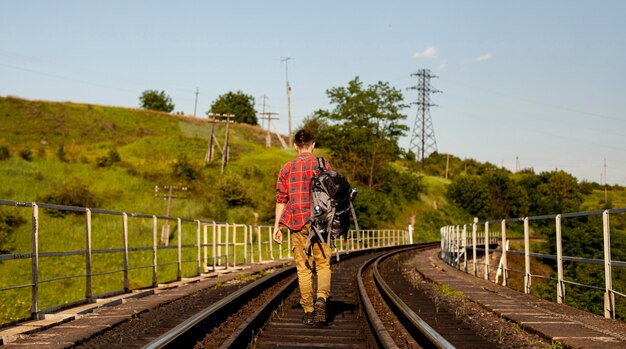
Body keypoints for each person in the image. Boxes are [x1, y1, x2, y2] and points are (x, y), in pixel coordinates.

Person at [273, 129, 331, 326]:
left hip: (297, 222)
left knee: (303, 267)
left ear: (295, 146)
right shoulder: (323, 165)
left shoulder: (287, 168)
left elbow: (281, 200)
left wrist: (277, 226)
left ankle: (308, 310)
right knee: (323, 264)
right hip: (321, 223)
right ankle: (321, 298)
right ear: (313, 144)